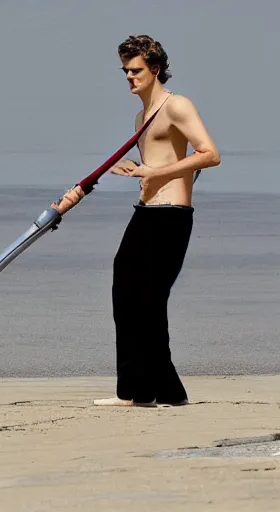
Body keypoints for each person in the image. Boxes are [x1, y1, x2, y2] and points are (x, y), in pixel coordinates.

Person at [93, 35, 221, 407]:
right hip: (146, 212)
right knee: (125, 294)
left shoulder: (177, 105)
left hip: (171, 217)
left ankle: (168, 392)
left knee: (148, 300)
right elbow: (163, 165)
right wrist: (143, 172)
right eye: (125, 71)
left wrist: (157, 171)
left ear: (155, 69)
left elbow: (210, 154)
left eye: (135, 70)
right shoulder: (141, 117)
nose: (129, 77)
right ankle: (136, 390)